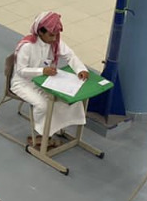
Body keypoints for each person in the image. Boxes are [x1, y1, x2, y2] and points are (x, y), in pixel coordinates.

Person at [10, 11, 89, 150]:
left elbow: (70, 55)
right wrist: (42, 71)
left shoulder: (55, 42)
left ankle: (52, 130)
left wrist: (80, 69)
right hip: (23, 83)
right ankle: (40, 135)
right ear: (41, 32)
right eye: (51, 35)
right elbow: (21, 70)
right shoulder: (27, 46)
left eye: (56, 35)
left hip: (44, 80)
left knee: (65, 99)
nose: (54, 38)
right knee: (43, 105)